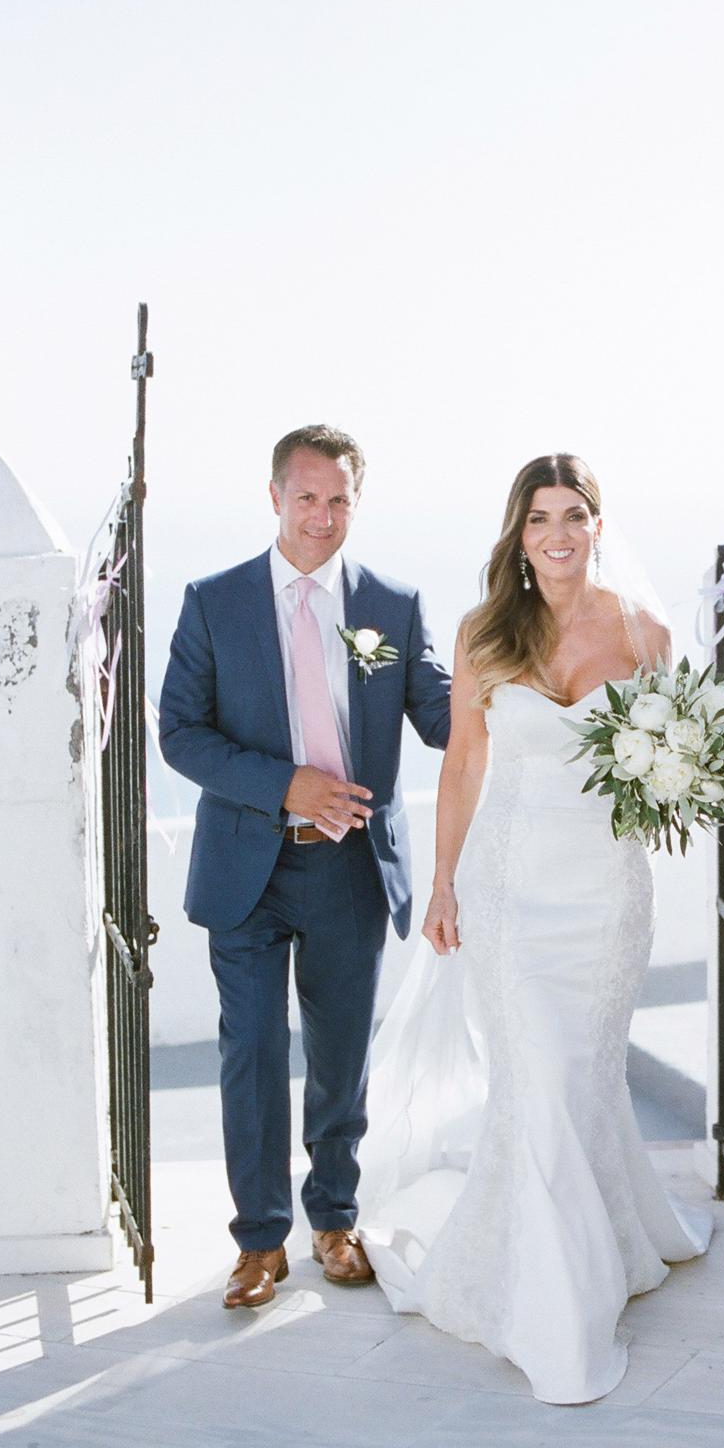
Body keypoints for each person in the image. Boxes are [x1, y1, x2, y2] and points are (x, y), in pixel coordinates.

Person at [358, 452, 711, 1403]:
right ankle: (558, 1312)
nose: (557, 534)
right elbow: (464, 764)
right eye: (539, 518)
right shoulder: (484, 631)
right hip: (509, 888)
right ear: (518, 533)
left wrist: (677, 775)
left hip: (603, 893)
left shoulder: (647, 632)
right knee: (540, 1080)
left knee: (580, 1077)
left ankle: (598, 1245)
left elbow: (666, 759)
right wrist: (443, 884)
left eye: (573, 515)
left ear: (600, 523)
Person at [159, 425, 451, 1310]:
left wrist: (517, 662)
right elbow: (180, 733)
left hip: (350, 869)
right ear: (276, 496)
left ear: (355, 503)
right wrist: (286, 786)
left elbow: (441, 718)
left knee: (338, 1057)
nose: (321, 517)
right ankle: (259, 1243)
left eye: (339, 500)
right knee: (250, 1052)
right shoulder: (214, 601)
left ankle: (334, 1219)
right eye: (307, 497)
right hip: (247, 866)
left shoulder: (393, 605)